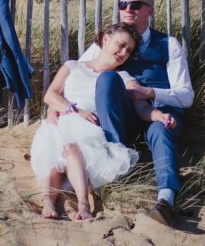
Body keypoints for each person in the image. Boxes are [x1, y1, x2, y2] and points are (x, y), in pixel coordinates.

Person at [78, 0, 194, 226]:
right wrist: (65, 108)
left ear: (149, 10)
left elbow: (186, 96)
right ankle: (115, 166)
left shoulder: (169, 44)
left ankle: (166, 199)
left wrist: (149, 92)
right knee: (108, 78)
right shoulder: (111, 40)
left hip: (161, 114)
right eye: (122, 5)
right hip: (124, 118)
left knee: (160, 130)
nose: (127, 9)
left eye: (135, 5)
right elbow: (78, 73)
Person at [30, 23, 142, 220]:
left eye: (129, 50)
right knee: (53, 151)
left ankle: (83, 206)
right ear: (106, 39)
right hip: (65, 117)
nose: (123, 52)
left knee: (72, 149)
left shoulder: (121, 77)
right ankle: (48, 202)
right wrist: (72, 110)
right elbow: (50, 94)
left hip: (89, 126)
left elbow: (136, 94)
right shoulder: (73, 66)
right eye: (121, 44)